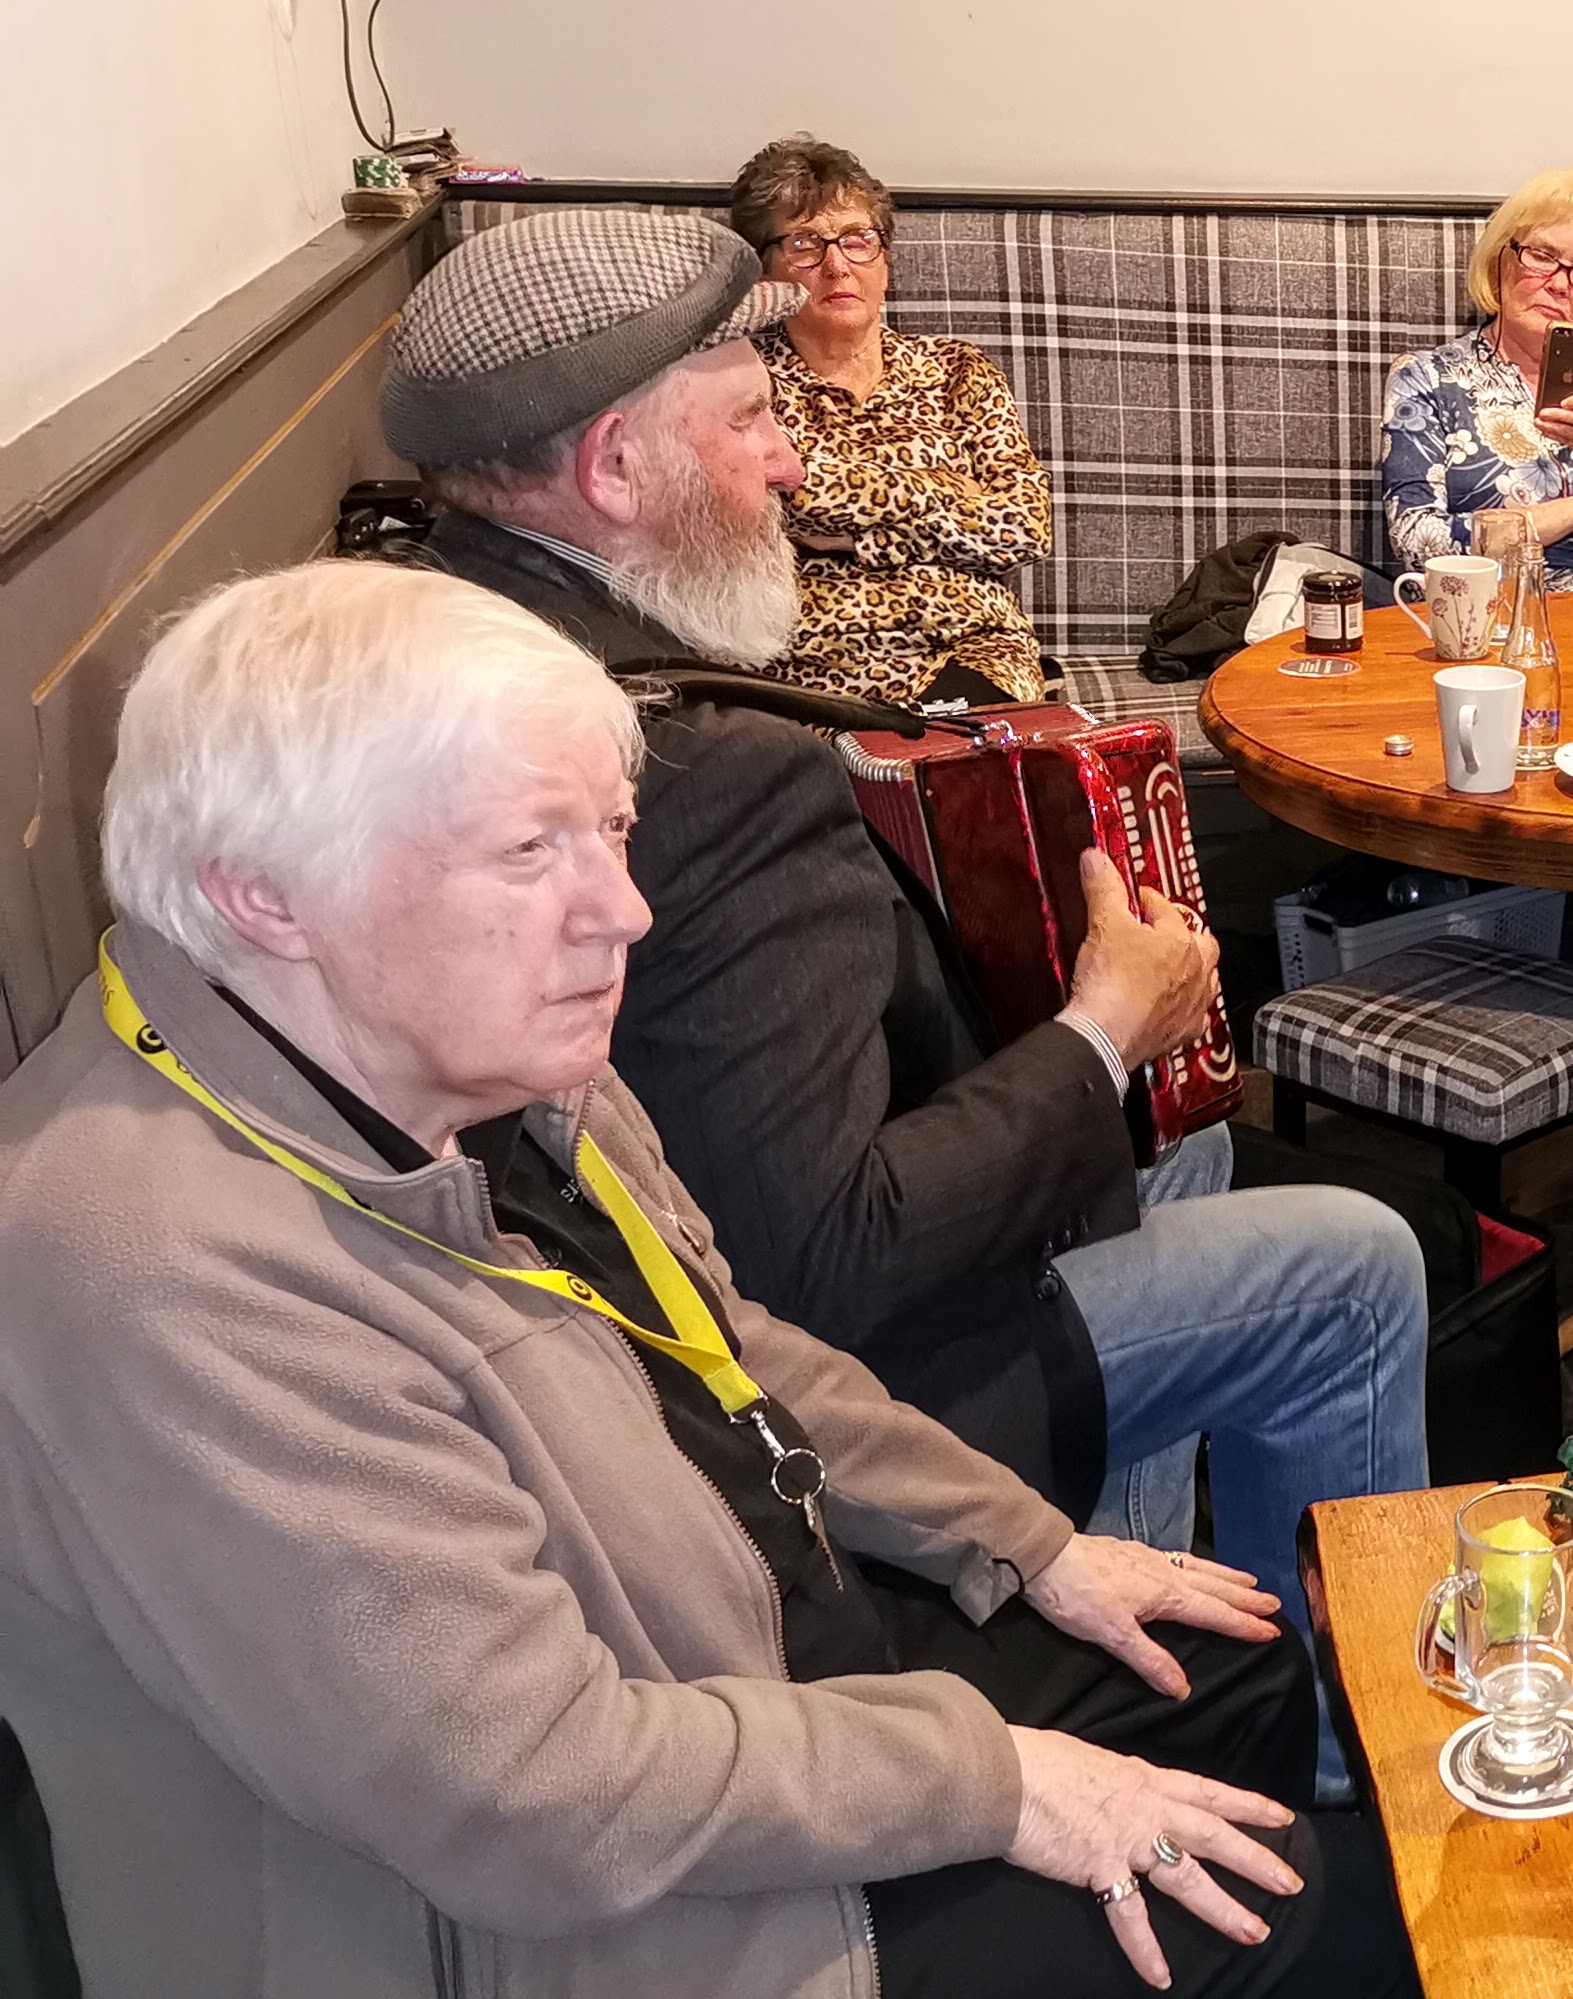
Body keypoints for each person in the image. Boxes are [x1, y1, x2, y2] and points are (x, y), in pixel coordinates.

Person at [0, 561, 1412, 1999]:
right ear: (264, 897)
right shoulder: (153, 1270)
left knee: (1227, 1663)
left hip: (727, 1651)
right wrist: (996, 1777)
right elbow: (535, 1793)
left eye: (611, 830)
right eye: (530, 850)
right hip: (569, 1924)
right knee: (1308, 1916)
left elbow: (729, 1347)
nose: (623, 910)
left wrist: (1022, 1540)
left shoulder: (470, 1053)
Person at [385, 208, 1428, 1797]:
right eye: (752, 418)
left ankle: (1145, 1618)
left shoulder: (428, 640)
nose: (791, 466)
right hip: (820, 1387)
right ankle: (1354, 1770)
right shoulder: (709, 772)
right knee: (1357, 1261)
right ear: (613, 466)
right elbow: (827, 1259)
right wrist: (1095, 1032)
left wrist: (1095, 1060)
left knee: (1186, 1138)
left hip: (622, 1292)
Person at [726, 137, 1057, 705]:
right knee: (882, 753)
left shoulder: (956, 371)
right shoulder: (741, 379)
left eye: (858, 240)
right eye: (804, 244)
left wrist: (857, 532)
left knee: (968, 744)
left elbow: (1024, 527)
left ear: (884, 261)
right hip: (813, 665)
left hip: (975, 649)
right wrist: (949, 493)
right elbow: (770, 511)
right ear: (765, 271)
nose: (837, 265)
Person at [1379, 168, 1573, 590]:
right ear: (1501, 261)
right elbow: (1420, 547)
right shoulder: (1426, 379)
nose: (1560, 284)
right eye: (1542, 256)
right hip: (1495, 615)